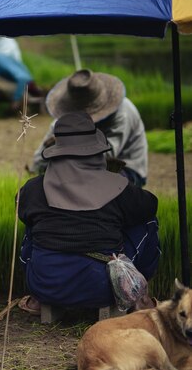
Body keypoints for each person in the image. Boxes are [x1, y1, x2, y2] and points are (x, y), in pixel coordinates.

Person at [18, 111, 160, 315]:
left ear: (57, 151)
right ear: (96, 151)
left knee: (32, 225)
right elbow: (150, 205)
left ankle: (38, 301)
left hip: (46, 285)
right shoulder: (119, 188)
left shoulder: (33, 189)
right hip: (106, 288)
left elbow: (21, 210)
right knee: (148, 222)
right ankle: (137, 297)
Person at [30, 69, 148, 187]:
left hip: (126, 168)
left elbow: (106, 155)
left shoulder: (123, 113)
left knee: (87, 186)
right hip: (81, 168)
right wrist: (36, 172)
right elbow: (40, 157)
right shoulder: (67, 114)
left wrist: (64, 147)